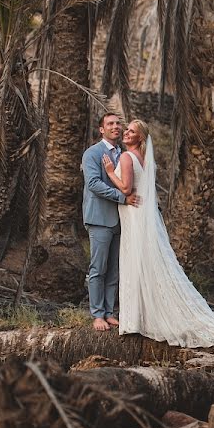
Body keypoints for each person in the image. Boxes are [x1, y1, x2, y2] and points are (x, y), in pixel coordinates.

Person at [101, 119, 214, 347]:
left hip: (134, 216)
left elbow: (125, 188)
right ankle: (140, 317)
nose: (126, 133)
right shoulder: (145, 160)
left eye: (131, 131)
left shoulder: (125, 157)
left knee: (135, 262)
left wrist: (110, 172)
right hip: (145, 215)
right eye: (127, 130)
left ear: (140, 138)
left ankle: (134, 321)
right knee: (148, 262)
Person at [81, 113, 139, 332]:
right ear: (101, 130)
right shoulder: (93, 153)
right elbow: (94, 184)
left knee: (114, 269)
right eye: (110, 124)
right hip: (99, 219)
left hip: (121, 220)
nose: (116, 127)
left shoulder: (124, 154)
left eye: (118, 123)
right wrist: (122, 197)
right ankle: (97, 314)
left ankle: (109, 312)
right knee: (98, 268)